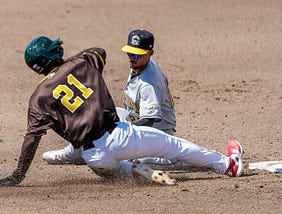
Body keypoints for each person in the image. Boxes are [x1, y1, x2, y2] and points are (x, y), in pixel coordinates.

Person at [0, 35, 243, 187]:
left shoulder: (37, 100)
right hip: (120, 138)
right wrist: (70, 66)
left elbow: (31, 140)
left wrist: (18, 175)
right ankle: (227, 165)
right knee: (174, 145)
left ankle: (139, 171)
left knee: (114, 171)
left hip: (94, 159)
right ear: (54, 55)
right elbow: (99, 51)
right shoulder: (81, 62)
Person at [42, 29, 181, 170]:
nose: (131, 57)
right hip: (132, 118)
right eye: (129, 52)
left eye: (137, 54)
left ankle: (177, 159)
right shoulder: (141, 65)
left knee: (127, 160)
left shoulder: (149, 84)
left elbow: (149, 121)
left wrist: (121, 137)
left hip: (156, 136)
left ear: (150, 54)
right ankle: (73, 153)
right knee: (94, 116)